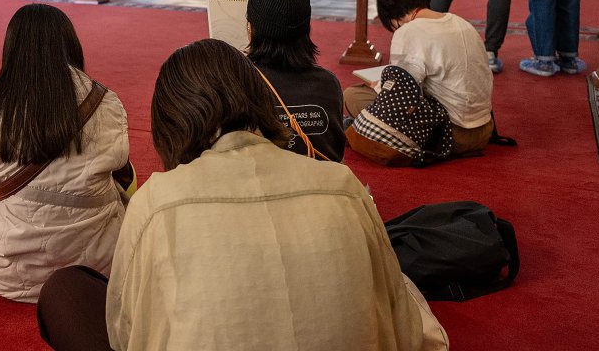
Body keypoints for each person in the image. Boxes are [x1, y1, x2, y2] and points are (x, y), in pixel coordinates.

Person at [37, 39, 448, 351]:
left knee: (66, 292)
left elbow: (127, 331)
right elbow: (408, 329)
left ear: (170, 122)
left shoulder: (157, 203)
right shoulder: (342, 185)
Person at [0, 4, 132, 303]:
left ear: (10, 50)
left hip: (13, 271)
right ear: (71, 45)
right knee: (116, 181)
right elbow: (126, 176)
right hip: (101, 264)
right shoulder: (104, 101)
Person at [343, 0, 494, 164]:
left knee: (352, 95)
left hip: (449, 135)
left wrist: (377, 87)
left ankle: (360, 127)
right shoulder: (461, 22)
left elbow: (399, 96)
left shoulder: (408, 31)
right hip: (484, 129)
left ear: (393, 18)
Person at [246, 0, 345, 161]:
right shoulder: (328, 84)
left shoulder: (238, 84)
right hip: (324, 186)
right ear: (306, 29)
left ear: (251, 29)